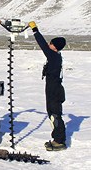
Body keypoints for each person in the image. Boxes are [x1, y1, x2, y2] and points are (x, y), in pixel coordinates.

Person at [28, 21, 67, 151]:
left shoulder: (53, 56)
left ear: (54, 47)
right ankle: (57, 138)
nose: (49, 44)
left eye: (51, 43)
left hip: (54, 90)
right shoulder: (56, 56)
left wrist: (35, 30)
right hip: (54, 89)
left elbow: (43, 45)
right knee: (53, 114)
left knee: (55, 115)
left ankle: (59, 141)